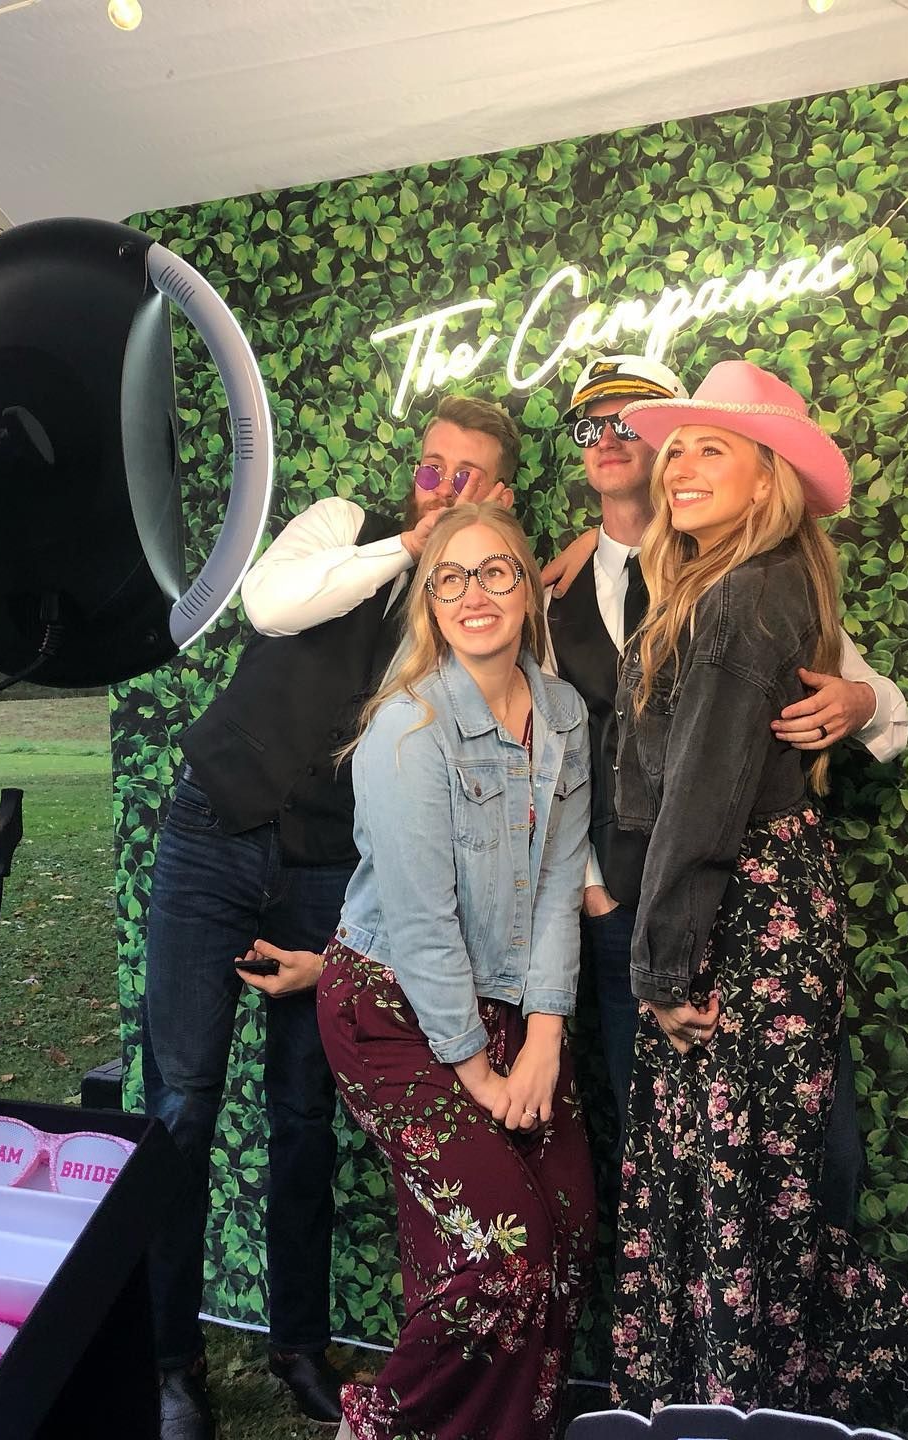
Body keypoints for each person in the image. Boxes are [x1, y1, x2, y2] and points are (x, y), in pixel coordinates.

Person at [606, 361, 908, 1437]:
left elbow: (699, 806)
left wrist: (664, 969)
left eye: (710, 447)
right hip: (743, 909)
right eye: (674, 446)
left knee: (741, 1195)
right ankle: (870, 1364)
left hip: (739, 919)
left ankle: (831, 1375)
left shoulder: (746, 598)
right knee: (735, 1189)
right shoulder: (729, 585)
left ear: (768, 477)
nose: (679, 463)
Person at [141, 395, 521, 1438]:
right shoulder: (343, 524)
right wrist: (410, 542)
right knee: (180, 1102)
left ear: (498, 490)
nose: (443, 486)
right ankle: (171, 1362)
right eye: (434, 466)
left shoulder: (466, 600)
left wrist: (472, 566)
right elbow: (271, 605)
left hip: (323, 866)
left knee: (306, 1116)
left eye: (468, 475)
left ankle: (297, 1347)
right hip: (213, 831)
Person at [545, 354, 908, 1224]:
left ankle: (780, 1337)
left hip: (745, 906)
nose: (616, 440)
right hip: (626, 904)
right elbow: (552, 758)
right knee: (667, 1150)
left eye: (636, 421)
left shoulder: (748, 582)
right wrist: (593, 888)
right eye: (591, 425)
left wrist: (862, 699)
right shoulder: (549, 590)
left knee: (801, 1155)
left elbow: (880, 710)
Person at [316, 501, 596, 1440]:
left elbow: (560, 886)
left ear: (528, 585)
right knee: (500, 1255)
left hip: (511, 1007)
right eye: (452, 579)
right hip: (392, 1009)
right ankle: (381, 1426)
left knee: (567, 1228)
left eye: (496, 572)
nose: (476, 595)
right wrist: (480, 1071)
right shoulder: (409, 728)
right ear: (429, 604)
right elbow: (424, 923)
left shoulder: (562, 716)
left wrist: (545, 1044)